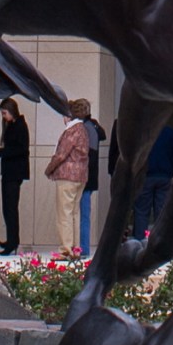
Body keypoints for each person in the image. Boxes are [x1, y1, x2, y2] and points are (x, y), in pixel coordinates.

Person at [47, 100, 91, 252]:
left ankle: (66, 249)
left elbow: (61, 154)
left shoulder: (72, 130)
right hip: (81, 176)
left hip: (67, 176)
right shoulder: (83, 129)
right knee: (74, 213)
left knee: (64, 213)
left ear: (68, 115)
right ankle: (75, 247)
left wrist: (49, 169)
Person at [0, 98, 30, 255]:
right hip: (10, 172)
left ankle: (13, 242)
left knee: (11, 208)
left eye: (4, 113)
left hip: (14, 172)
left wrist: (0, 152)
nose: (3, 116)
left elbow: (21, 149)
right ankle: (11, 239)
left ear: (12, 111)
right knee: (7, 208)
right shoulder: (13, 125)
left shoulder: (19, 126)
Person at [135, 124, 173, 242]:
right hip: (165, 175)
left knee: (142, 211)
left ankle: (140, 240)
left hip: (146, 175)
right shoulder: (169, 132)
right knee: (161, 211)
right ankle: (160, 241)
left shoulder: (143, 133)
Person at [79, 104, 106, 255]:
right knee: (84, 214)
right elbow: (103, 136)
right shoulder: (93, 126)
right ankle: (83, 248)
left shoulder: (85, 128)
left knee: (82, 214)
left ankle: (83, 248)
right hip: (90, 175)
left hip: (85, 176)